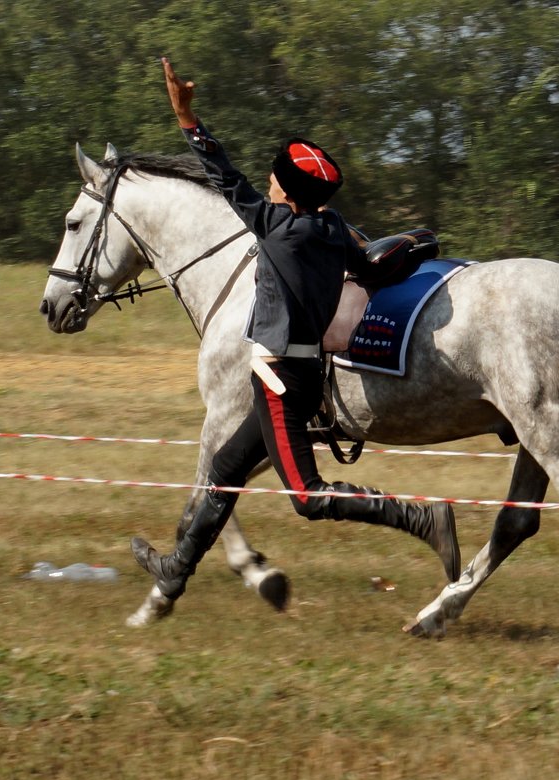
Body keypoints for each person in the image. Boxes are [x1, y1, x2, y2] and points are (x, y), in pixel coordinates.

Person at [131, 57, 460, 601]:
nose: (267, 183)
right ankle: (175, 569)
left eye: (274, 179)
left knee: (306, 498)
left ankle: (422, 521)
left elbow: (223, 176)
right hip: (297, 370)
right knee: (226, 467)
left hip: (282, 377)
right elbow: (374, 269)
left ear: (285, 193)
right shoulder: (331, 229)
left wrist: (186, 117)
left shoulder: (276, 226)